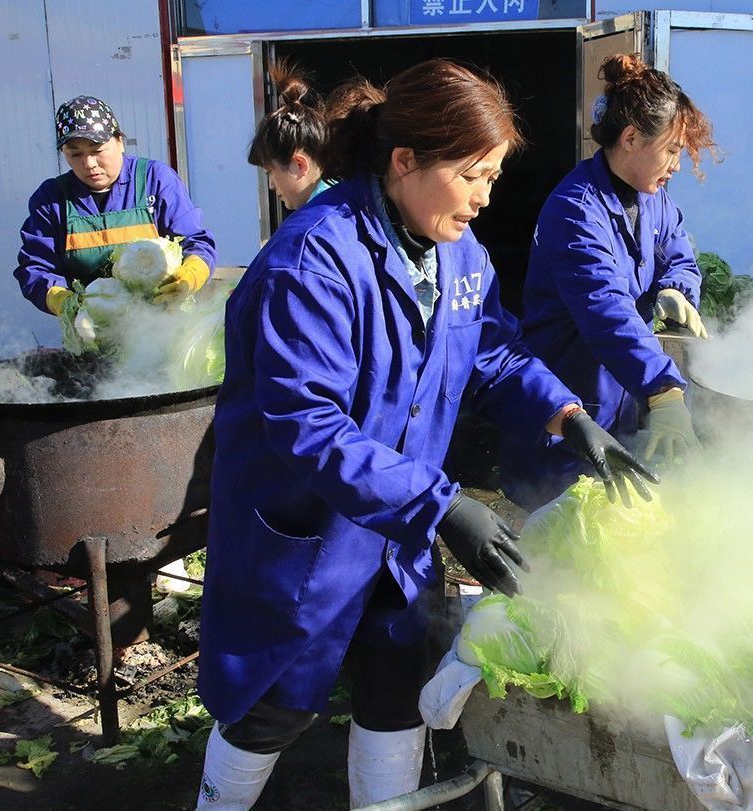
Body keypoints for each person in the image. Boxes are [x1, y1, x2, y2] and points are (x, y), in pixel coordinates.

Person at [194, 60, 655, 809]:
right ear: (404, 161)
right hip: (309, 538)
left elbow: (491, 350)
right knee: (271, 708)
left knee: (396, 692)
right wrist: (443, 507)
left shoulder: (458, 252)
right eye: (473, 174)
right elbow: (309, 427)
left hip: (396, 538)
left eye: (495, 177)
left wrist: (569, 417)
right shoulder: (312, 261)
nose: (485, 197)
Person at [499, 53, 716, 511]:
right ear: (632, 137)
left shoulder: (654, 199)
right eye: (673, 149)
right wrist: (664, 390)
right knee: (560, 537)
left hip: (617, 402)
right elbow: (606, 311)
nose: (677, 165)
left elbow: (679, 255)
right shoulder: (576, 210)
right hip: (566, 408)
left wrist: (675, 289)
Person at [14, 95, 215, 313]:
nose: (89, 163)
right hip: (93, 329)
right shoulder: (51, 199)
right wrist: (61, 301)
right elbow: (35, 267)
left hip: (165, 325)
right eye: (75, 154)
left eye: (97, 150)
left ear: (120, 142)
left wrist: (191, 275)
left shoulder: (155, 180)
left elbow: (196, 241)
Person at [247, 60, 332, 210]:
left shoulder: (314, 226)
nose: (271, 185)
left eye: (270, 172)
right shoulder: (344, 202)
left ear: (300, 164)